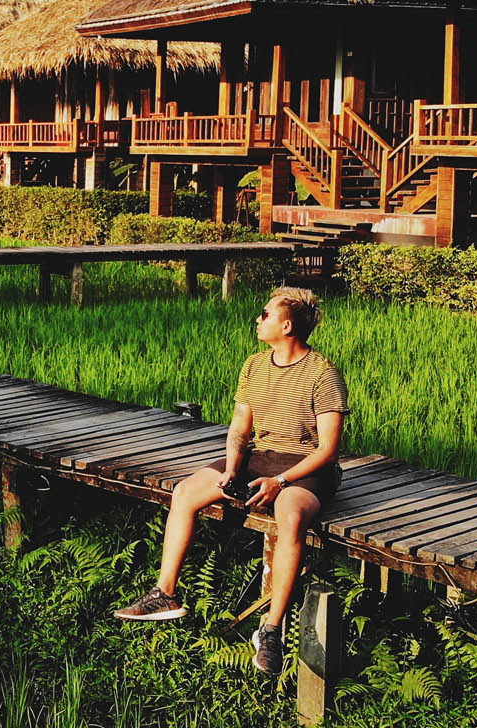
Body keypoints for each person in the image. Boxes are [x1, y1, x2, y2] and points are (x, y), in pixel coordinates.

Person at [112, 286, 348, 674]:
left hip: (306, 466)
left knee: (290, 517)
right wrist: (232, 468)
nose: (259, 319)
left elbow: (328, 451)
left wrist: (282, 482)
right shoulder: (255, 365)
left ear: (286, 325)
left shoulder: (323, 374)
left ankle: (271, 630)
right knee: (186, 492)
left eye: (265, 314)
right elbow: (240, 427)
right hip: (260, 458)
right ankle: (165, 593)